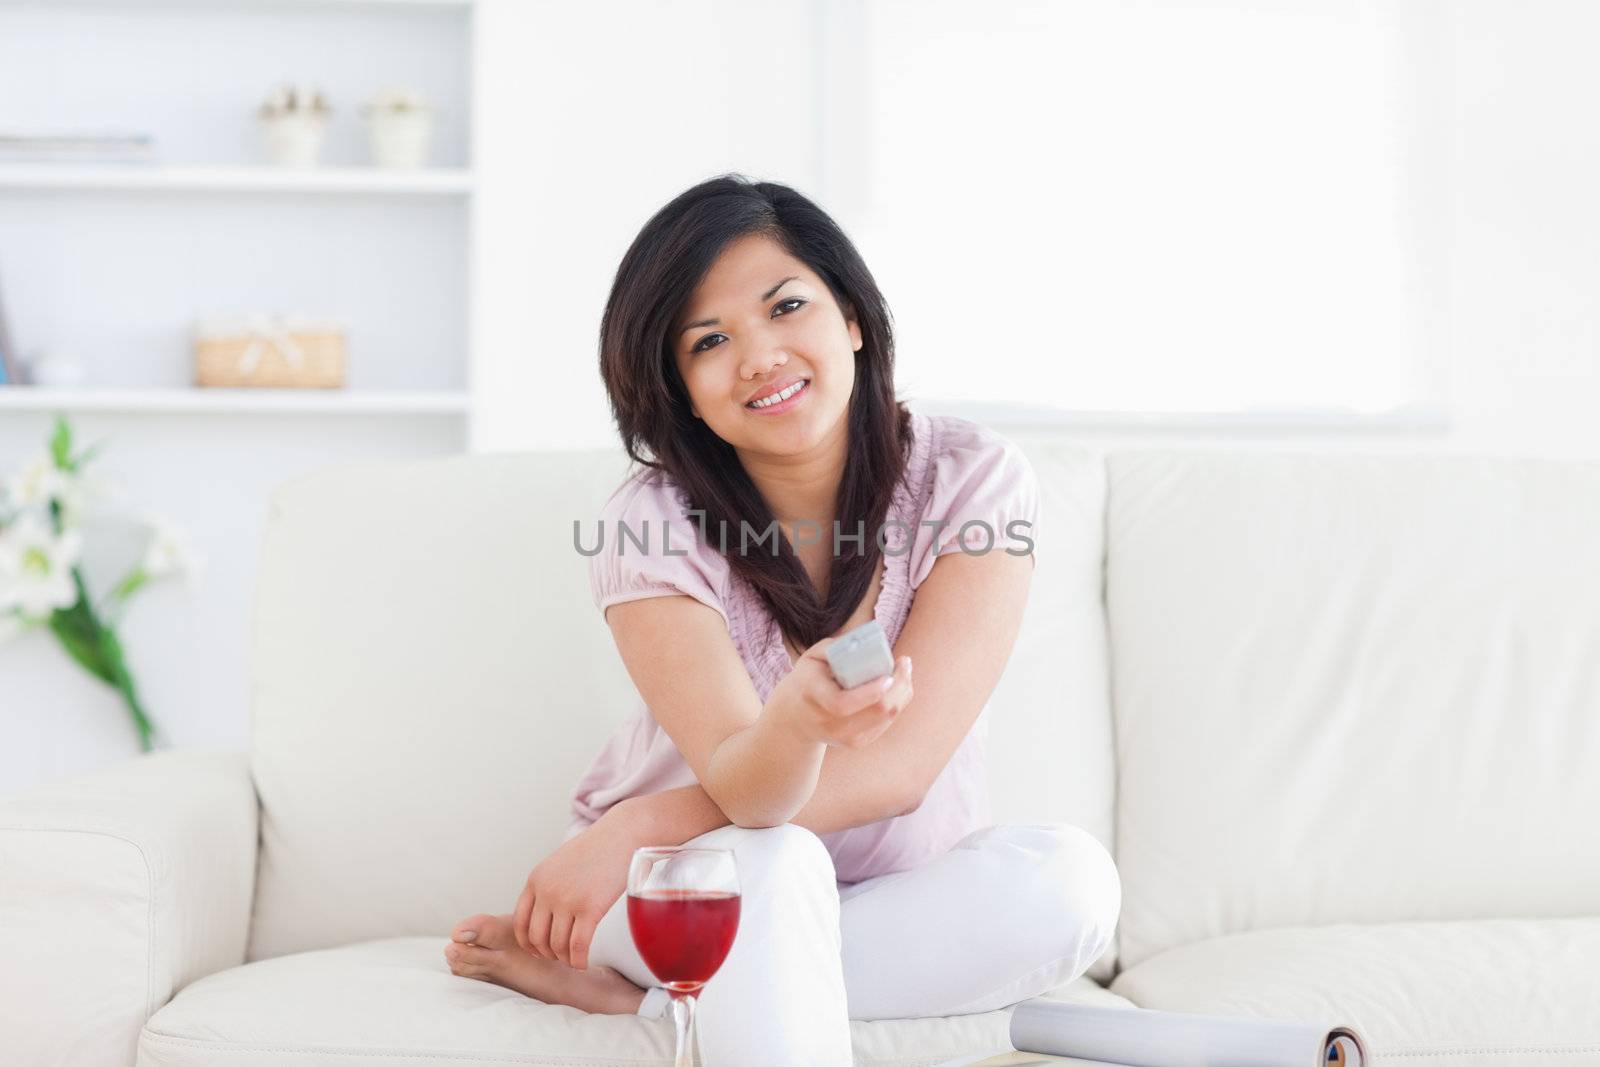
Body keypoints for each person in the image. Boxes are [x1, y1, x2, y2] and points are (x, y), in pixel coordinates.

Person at [442, 174, 1121, 1065]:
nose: (759, 355)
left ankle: (656, 1002)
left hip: (878, 892)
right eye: (711, 340)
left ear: (852, 319)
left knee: (1070, 883)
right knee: (778, 862)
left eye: (786, 306)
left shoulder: (975, 480)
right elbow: (753, 795)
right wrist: (780, 738)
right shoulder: (650, 521)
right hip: (683, 887)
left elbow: (904, 768)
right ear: (680, 388)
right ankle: (680, 978)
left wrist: (638, 820)